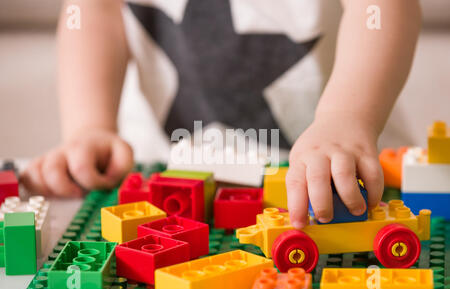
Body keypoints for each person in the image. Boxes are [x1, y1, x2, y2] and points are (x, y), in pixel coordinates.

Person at [21, 0, 422, 229]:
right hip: (165, 166)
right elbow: (90, 10)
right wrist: (90, 124)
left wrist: (347, 116)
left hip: (349, 165)